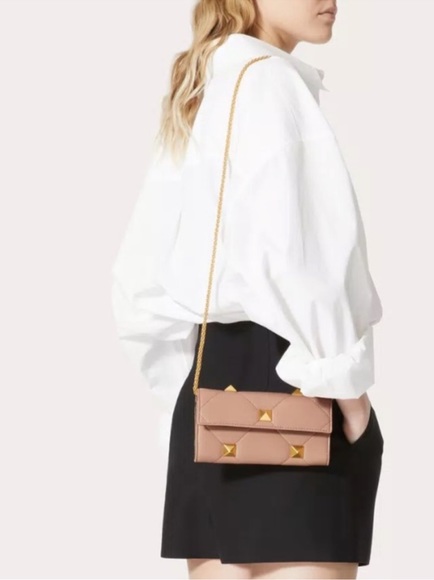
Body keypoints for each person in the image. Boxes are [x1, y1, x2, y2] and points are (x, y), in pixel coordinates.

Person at [110, 1, 384, 578]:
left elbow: (140, 278)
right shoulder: (272, 83)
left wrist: (186, 396)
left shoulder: (202, 86)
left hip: (211, 394)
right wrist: (350, 395)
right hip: (297, 384)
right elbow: (305, 262)